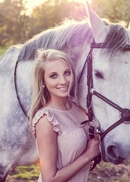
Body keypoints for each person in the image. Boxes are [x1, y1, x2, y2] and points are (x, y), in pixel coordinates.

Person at [29, 49, 100, 182]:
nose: (63, 81)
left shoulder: (78, 107)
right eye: (54, 76)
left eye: (67, 73)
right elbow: (49, 179)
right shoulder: (46, 120)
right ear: (43, 81)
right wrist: (89, 155)